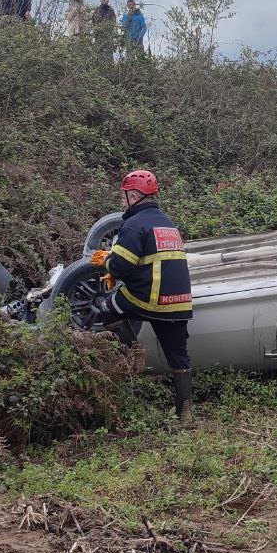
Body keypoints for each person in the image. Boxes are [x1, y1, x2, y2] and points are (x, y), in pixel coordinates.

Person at [89, 170, 194, 419]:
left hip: (150, 298)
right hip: (179, 301)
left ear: (134, 196)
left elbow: (122, 266)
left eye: (124, 197)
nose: (122, 202)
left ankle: (135, 354)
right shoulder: (168, 223)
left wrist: (106, 261)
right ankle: (185, 413)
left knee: (106, 308)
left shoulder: (134, 224)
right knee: (178, 356)